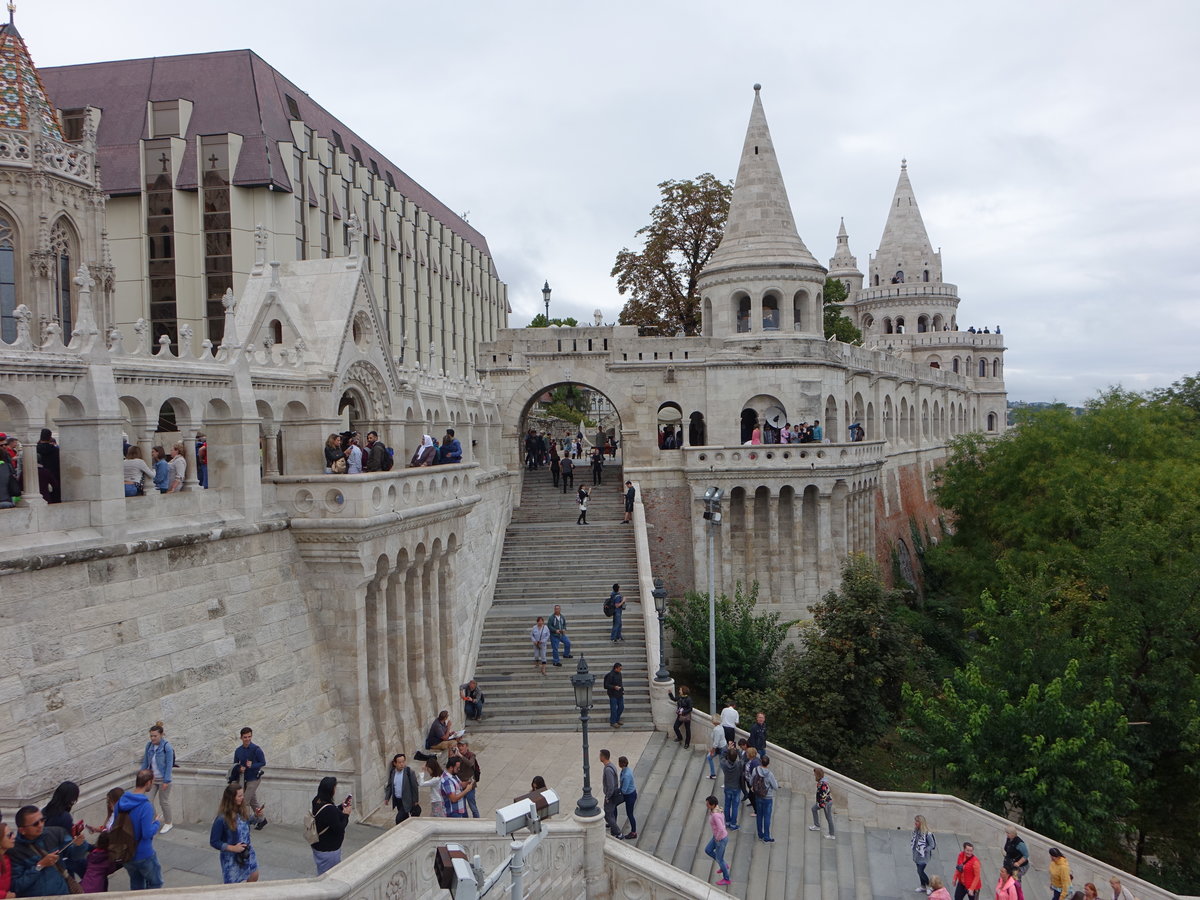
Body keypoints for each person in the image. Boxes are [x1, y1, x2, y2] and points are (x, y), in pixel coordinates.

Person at [9, 804, 89, 896]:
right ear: (22, 830)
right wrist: (40, 865)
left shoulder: (56, 833)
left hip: (61, 894)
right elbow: (16, 886)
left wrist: (79, 845)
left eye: (42, 820)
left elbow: (75, 856)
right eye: (35, 824)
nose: (41, 825)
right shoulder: (14, 850)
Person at [115, 769, 164, 890]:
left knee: (136, 885)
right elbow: (147, 833)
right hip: (144, 854)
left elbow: (114, 826)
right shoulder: (146, 806)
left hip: (126, 854)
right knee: (155, 883)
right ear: (148, 783)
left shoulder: (120, 803)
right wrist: (157, 823)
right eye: (152, 782)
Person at [209, 783, 259, 884]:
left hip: (247, 852)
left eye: (242, 795)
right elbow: (214, 841)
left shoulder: (241, 810)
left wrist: (256, 816)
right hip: (231, 858)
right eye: (239, 796)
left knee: (254, 875)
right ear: (231, 798)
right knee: (233, 887)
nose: (242, 798)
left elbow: (246, 823)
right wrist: (233, 848)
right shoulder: (221, 819)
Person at [309, 776, 351, 875]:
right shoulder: (329, 809)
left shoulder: (317, 800)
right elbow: (339, 827)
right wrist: (346, 814)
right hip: (328, 850)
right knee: (328, 876)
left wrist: (341, 807)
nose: (335, 790)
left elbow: (329, 815)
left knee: (322, 871)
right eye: (334, 788)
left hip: (319, 845)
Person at [141, 722, 175, 833]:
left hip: (164, 779)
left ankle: (168, 822)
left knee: (163, 801)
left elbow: (169, 765)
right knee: (148, 800)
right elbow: (145, 761)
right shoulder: (148, 746)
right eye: (151, 736)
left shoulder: (167, 747)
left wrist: (166, 780)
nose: (153, 738)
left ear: (161, 735)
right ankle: (156, 817)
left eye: (155, 736)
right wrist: (143, 774)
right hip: (152, 779)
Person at [232, 727, 268, 829]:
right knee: (253, 802)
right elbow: (235, 764)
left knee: (244, 801)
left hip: (254, 779)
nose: (247, 739)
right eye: (245, 737)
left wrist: (252, 765)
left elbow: (263, 762)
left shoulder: (256, 749)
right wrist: (239, 768)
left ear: (251, 736)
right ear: (241, 738)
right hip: (243, 779)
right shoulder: (238, 751)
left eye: (249, 737)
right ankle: (262, 819)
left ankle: (243, 823)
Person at [703, 795, 732, 887]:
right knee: (708, 850)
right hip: (717, 836)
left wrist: (717, 838)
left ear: (712, 805)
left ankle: (726, 878)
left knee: (720, 859)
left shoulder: (715, 815)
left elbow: (721, 829)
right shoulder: (717, 810)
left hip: (720, 839)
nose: (706, 805)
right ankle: (723, 864)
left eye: (707, 804)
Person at [385, 753, 420, 823]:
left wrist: (415, 800)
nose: (402, 764)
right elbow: (390, 785)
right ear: (395, 763)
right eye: (399, 762)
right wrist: (387, 798)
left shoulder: (409, 772)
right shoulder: (393, 772)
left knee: (399, 819)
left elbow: (414, 787)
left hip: (407, 800)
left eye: (403, 762)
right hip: (398, 800)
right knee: (404, 818)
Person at [753, 755, 780, 842]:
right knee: (767, 817)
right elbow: (775, 787)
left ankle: (760, 834)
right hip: (767, 797)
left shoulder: (755, 770)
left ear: (760, 761)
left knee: (759, 815)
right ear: (768, 763)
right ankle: (766, 836)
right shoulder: (770, 774)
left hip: (758, 795)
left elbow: (751, 780)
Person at [454, 740, 481, 818]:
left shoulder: (471, 755)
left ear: (467, 746)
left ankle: (478, 821)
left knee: (473, 806)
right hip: (460, 785)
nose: (460, 747)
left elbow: (470, 763)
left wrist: (461, 756)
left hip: (469, 785)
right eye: (459, 746)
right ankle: (466, 821)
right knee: (463, 807)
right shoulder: (457, 756)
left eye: (462, 746)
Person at [911, 814, 937, 893]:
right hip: (917, 855)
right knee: (919, 871)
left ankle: (929, 886)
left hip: (924, 856)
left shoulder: (927, 833)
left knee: (920, 871)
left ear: (921, 822)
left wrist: (925, 849)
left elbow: (932, 845)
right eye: (915, 821)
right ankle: (923, 886)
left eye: (917, 821)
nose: (915, 823)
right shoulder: (916, 831)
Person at [720, 747, 742, 829]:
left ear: (728, 757)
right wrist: (738, 751)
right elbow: (743, 759)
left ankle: (727, 822)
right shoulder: (739, 765)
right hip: (736, 787)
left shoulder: (724, 764)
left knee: (727, 805)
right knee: (735, 807)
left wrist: (727, 749)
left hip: (728, 786)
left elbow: (722, 756)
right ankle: (733, 824)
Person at [809, 766, 835, 838]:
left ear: (818, 774)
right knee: (813, 809)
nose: (814, 775)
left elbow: (823, 795)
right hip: (823, 802)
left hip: (826, 803)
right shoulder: (822, 782)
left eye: (814, 773)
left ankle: (832, 834)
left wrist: (821, 804)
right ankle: (817, 825)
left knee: (828, 818)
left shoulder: (822, 784)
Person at [36, 428, 60, 503]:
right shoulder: (56, 450)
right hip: (54, 476)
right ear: (50, 438)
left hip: (38, 476)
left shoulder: (34, 449)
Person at [600, 749, 621, 837]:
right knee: (610, 813)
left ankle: (617, 832)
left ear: (603, 757)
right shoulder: (611, 765)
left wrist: (607, 797)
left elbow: (611, 785)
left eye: (600, 755)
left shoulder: (608, 770)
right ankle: (613, 827)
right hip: (613, 794)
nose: (599, 757)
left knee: (607, 815)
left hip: (610, 795)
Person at [618, 755, 637, 840]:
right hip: (628, 794)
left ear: (621, 764)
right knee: (613, 805)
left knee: (630, 814)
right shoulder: (625, 770)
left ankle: (633, 832)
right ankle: (612, 822)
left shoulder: (626, 775)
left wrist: (617, 792)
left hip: (629, 795)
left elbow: (624, 790)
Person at [603, 662, 624, 727]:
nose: (620, 670)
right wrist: (614, 687)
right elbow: (606, 685)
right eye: (620, 669)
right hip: (612, 694)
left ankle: (617, 719)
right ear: (616, 668)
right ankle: (613, 721)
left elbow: (620, 683)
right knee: (613, 709)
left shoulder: (619, 674)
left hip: (619, 693)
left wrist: (622, 690)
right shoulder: (610, 675)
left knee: (621, 707)